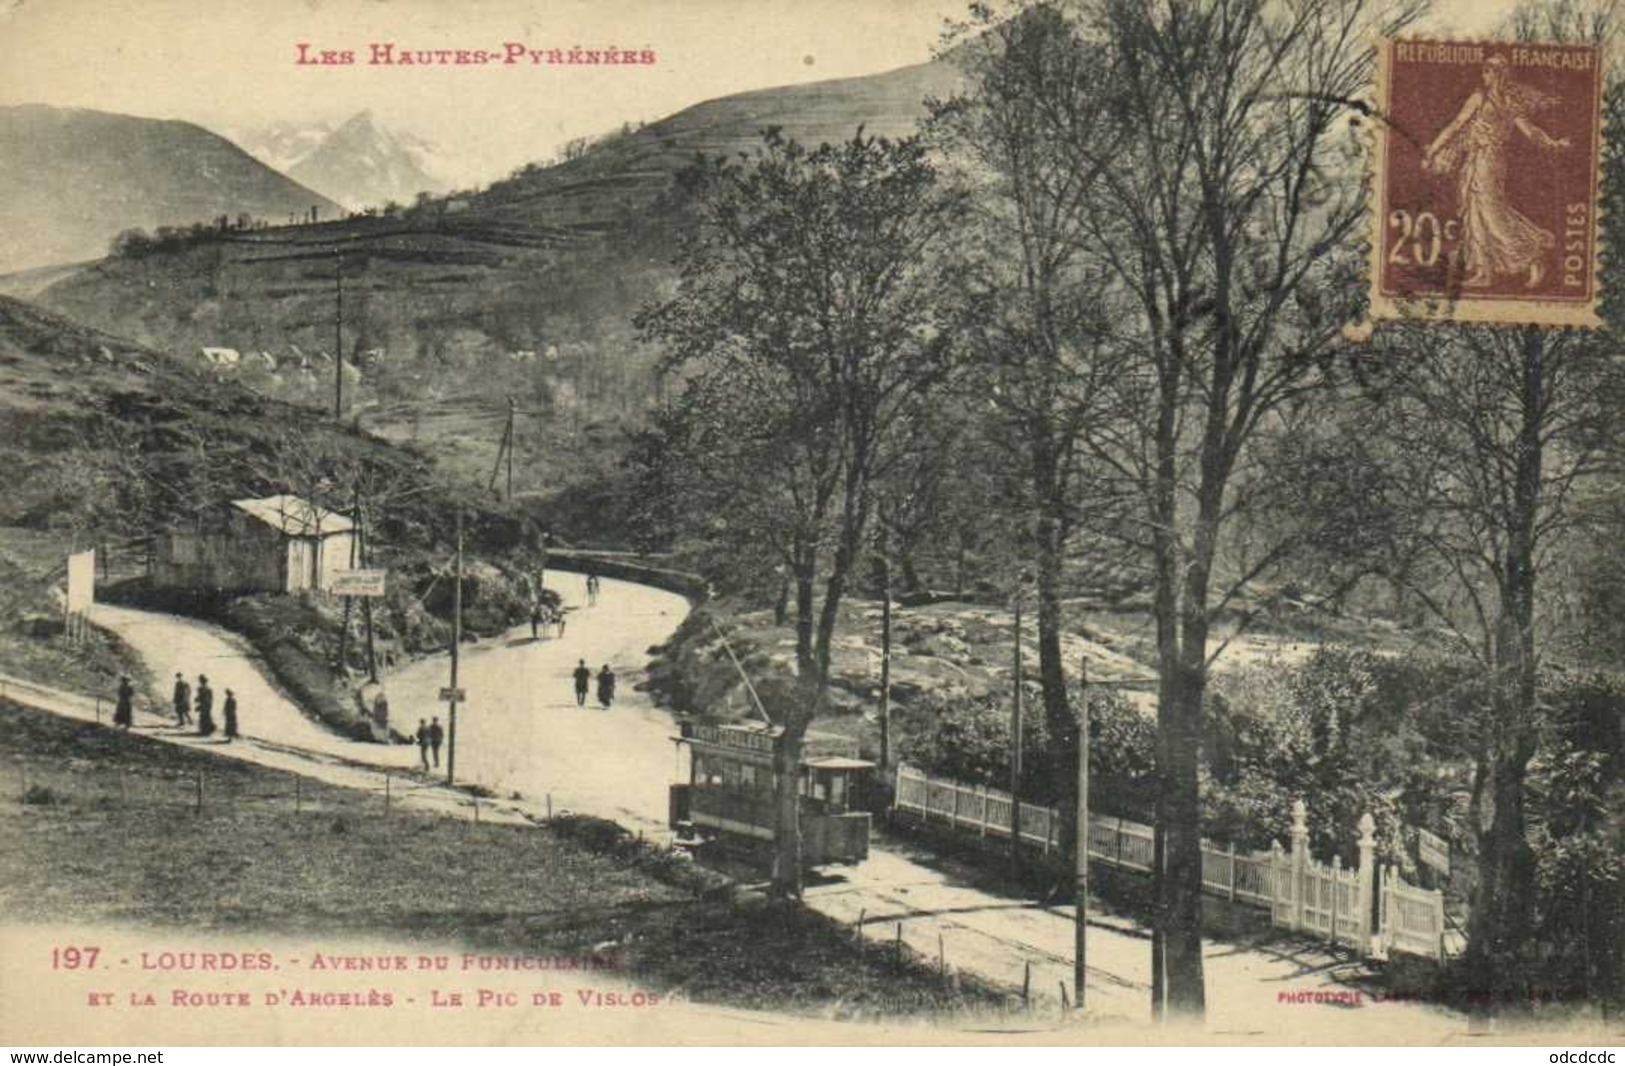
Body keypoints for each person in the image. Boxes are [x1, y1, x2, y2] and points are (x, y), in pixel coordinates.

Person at [1423, 54, 1570, 289]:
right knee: (1474, 215)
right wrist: (1434, 150)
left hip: (1492, 162)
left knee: (1493, 215)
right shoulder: (1478, 98)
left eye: (1490, 71)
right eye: (1484, 71)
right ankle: (1484, 271)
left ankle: (1533, 256)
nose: (1485, 76)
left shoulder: (1509, 102)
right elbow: (1456, 125)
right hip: (1475, 159)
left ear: (1501, 74)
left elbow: (1530, 130)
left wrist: (1552, 143)